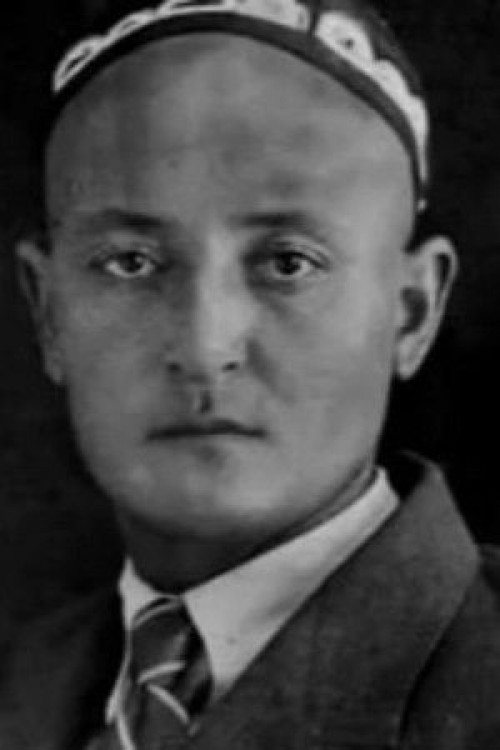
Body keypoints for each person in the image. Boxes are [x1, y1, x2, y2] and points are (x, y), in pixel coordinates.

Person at [2, 0, 500, 747]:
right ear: (48, 315)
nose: (205, 347)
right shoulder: (24, 677)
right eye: (130, 263)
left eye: (288, 263)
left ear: (411, 313)